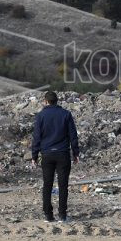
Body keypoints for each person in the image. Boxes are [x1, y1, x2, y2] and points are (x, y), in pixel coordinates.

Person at [31, 91, 79, 222]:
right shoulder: (66, 114)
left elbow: (36, 138)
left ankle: (48, 215)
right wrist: (76, 153)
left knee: (47, 185)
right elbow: (73, 135)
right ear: (57, 101)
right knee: (63, 185)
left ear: (45, 101)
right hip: (63, 154)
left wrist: (34, 156)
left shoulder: (40, 116)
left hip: (47, 154)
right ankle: (62, 215)